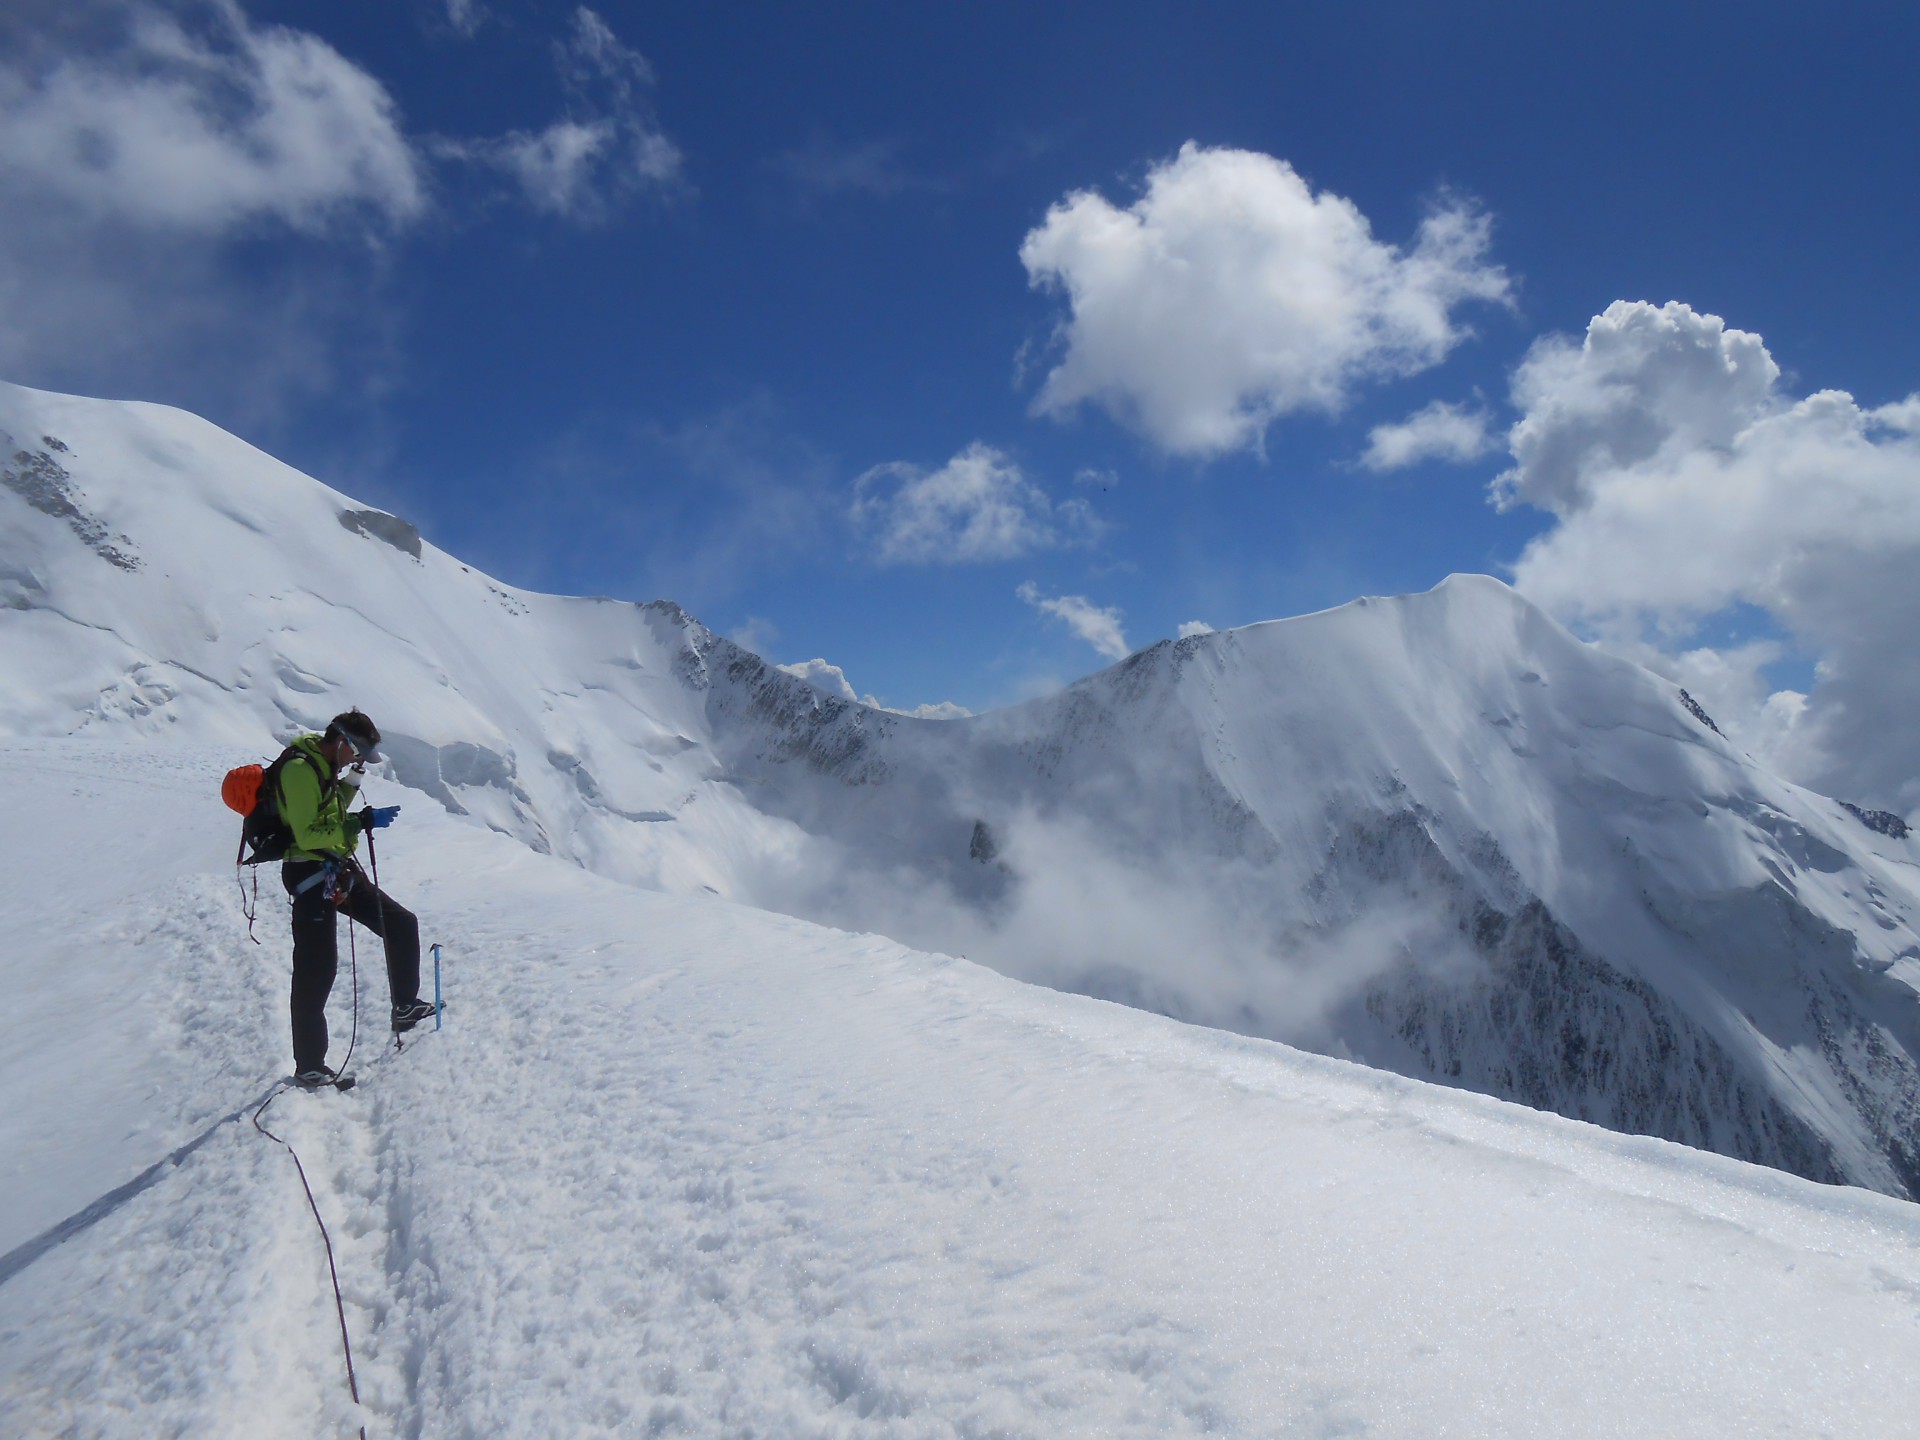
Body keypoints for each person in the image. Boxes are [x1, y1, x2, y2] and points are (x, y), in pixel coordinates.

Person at [277, 709, 433, 1086]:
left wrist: (352, 782)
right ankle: (310, 1065)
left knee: (400, 922)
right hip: (310, 874)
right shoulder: (300, 771)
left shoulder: (324, 765)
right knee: (318, 970)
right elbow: (308, 833)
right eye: (358, 752)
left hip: (332, 869)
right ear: (342, 740)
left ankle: (405, 1006)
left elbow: (326, 815)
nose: (359, 758)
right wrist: (360, 822)